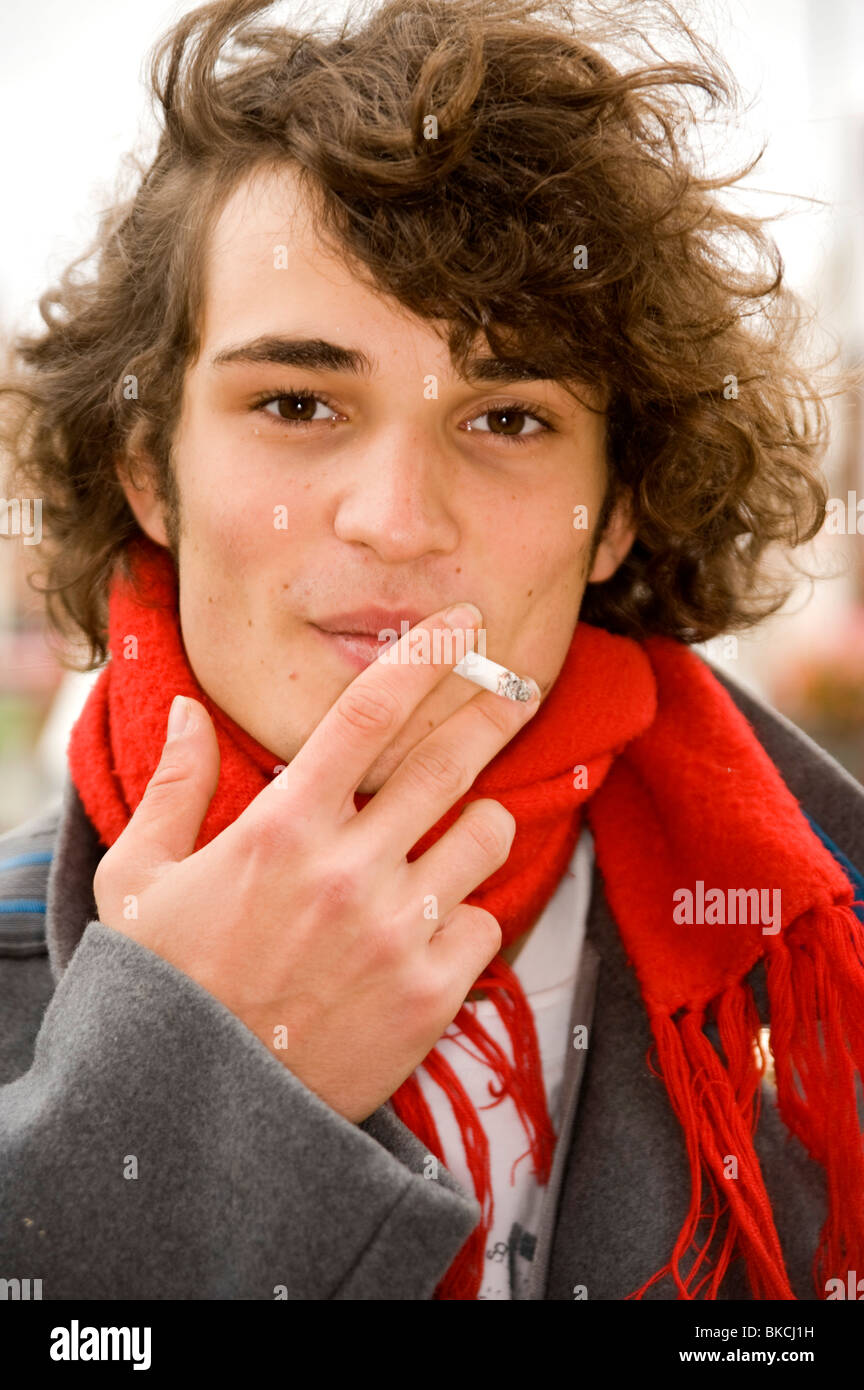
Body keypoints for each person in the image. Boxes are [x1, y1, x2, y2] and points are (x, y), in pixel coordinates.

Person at [1, 0, 863, 1303]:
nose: (398, 521)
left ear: (620, 506)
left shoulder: (823, 956)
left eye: (507, 416)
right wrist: (194, 1089)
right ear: (147, 471)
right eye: (296, 402)